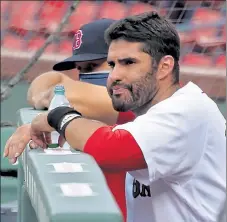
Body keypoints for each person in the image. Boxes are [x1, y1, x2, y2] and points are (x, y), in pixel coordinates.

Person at [19, 11, 225, 222]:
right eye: (112, 64)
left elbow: (109, 149)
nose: (115, 75)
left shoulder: (186, 110)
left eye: (129, 63)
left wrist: (59, 117)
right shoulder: (148, 107)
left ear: (164, 66)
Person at [4, 18, 136, 221]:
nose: (85, 76)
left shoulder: (143, 104)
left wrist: (44, 116)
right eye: (81, 69)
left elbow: (67, 92)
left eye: (93, 66)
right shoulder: (95, 109)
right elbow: (45, 82)